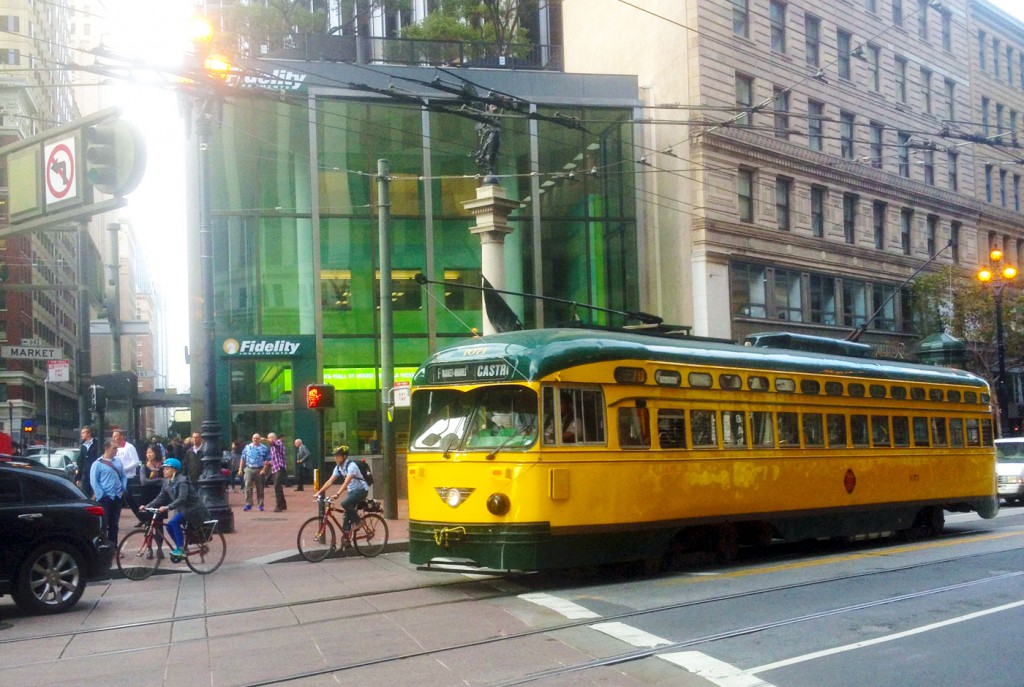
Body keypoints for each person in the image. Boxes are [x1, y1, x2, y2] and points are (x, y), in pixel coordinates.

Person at [145, 457, 210, 559]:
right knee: (169, 526)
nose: (164, 471)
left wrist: (168, 507)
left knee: (174, 522)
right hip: (182, 509)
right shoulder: (167, 482)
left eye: (167, 469)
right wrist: (147, 506)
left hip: (193, 509)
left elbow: (182, 498)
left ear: (174, 469)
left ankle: (180, 548)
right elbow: (160, 498)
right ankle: (181, 548)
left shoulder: (182, 481)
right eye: (164, 469)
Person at [315, 445, 368, 536]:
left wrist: (337, 494)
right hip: (352, 491)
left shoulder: (352, 466)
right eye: (335, 456)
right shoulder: (338, 468)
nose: (335, 458)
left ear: (344, 456)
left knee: (345, 503)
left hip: (361, 490)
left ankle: (359, 522)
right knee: (346, 516)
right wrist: (319, 492)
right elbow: (330, 481)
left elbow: (346, 483)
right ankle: (346, 539)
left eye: (338, 456)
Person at [89, 439, 126, 544]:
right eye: (114, 448)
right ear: (106, 448)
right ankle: (104, 545)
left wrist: (123, 489)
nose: (116, 451)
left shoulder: (118, 461)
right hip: (105, 497)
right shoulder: (97, 464)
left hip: (117, 496)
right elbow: (94, 481)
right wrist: (101, 495)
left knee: (114, 524)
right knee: (104, 523)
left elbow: (123, 476)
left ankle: (113, 546)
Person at [112, 429, 144, 524]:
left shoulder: (129, 447)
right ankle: (141, 517)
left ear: (122, 436)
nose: (114, 438)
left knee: (130, 499)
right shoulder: (114, 448)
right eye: (113, 437)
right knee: (126, 499)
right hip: (118, 477)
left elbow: (136, 462)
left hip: (129, 477)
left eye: (116, 436)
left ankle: (142, 517)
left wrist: (123, 469)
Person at [238, 433, 269, 511]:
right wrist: (240, 468)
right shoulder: (247, 447)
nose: (255, 440)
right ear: (252, 439)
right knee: (247, 486)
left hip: (259, 469)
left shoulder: (264, 448)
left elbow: (267, 460)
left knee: (260, 487)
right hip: (249, 468)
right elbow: (243, 458)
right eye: (254, 438)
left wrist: (264, 469)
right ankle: (248, 503)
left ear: (259, 439)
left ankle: (260, 504)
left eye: (257, 438)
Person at [77, 425, 100, 497]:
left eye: (83, 433)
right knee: (85, 493)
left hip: (94, 473)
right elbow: (80, 462)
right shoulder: (83, 445)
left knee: (95, 493)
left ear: (89, 433)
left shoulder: (97, 444)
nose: (81, 435)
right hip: (85, 474)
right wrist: (78, 478)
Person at [267, 432, 288, 512]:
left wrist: (265, 440)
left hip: (280, 467)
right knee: (278, 486)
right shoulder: (272, 448)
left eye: (270, 438)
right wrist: (268, 463)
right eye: (268, 438)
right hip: (275, 468)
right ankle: (283, 504)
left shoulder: (279, 442)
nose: (269, 439)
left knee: (276, 486)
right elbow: (274, 459)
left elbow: (274, 444)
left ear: (274, 438)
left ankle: (279, 506)